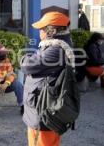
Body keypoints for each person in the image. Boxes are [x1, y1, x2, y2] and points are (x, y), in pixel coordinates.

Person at [20, 12, 71, 146]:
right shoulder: (53, 45)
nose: (39, 31)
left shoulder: (56, 49)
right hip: (41, 107)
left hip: (43, 110)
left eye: (42, 28)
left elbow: (27, 66)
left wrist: (25, 58)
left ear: (52, 31)